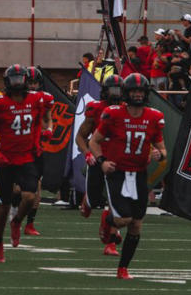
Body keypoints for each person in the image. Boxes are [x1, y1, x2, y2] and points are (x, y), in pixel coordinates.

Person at [89, 73, 166, 279]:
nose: (138, 95)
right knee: (123, 220)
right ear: (126, 92)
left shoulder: (154, 117)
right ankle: (109, 222)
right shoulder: (113, 114)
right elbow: (94, 141)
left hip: (139, 174)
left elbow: (161, 146)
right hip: (117, 172)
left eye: (141, 91)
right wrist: (102, 161)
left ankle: (123, 268)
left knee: (136, 224)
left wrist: (160, 154)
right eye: (134, 91)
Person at [0, 64, 50, 263]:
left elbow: (42, 120)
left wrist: (38, 141)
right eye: (13, 80)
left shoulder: (37, 99)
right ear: (7, 82)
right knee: (3, 206)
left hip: (27, 158)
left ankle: (17, 222)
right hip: (6, 160)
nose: (16, 83)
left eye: (19, 79)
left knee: (30, 197)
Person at [75, 74, 123, 256]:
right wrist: (87, 153)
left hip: (118, 161)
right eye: (113, 90)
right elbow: (80, 136)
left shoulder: (128, 111)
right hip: (99, 158)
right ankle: (87, 201)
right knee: (94, 200)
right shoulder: (95, 109)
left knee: (115, 202)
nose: (116, 94)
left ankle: (111, 243)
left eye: (119, 90)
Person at [15, 67, 53, 237]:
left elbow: (47, 119)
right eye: (29, 82)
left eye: (34, 82)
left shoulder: (44, 99)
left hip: (35, 150)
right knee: (17, 190)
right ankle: (15, 212)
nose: (32, 86)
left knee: (36, 189)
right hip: (16, 149)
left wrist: (49, 129)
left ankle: (30, 223)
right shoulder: (14, 98)